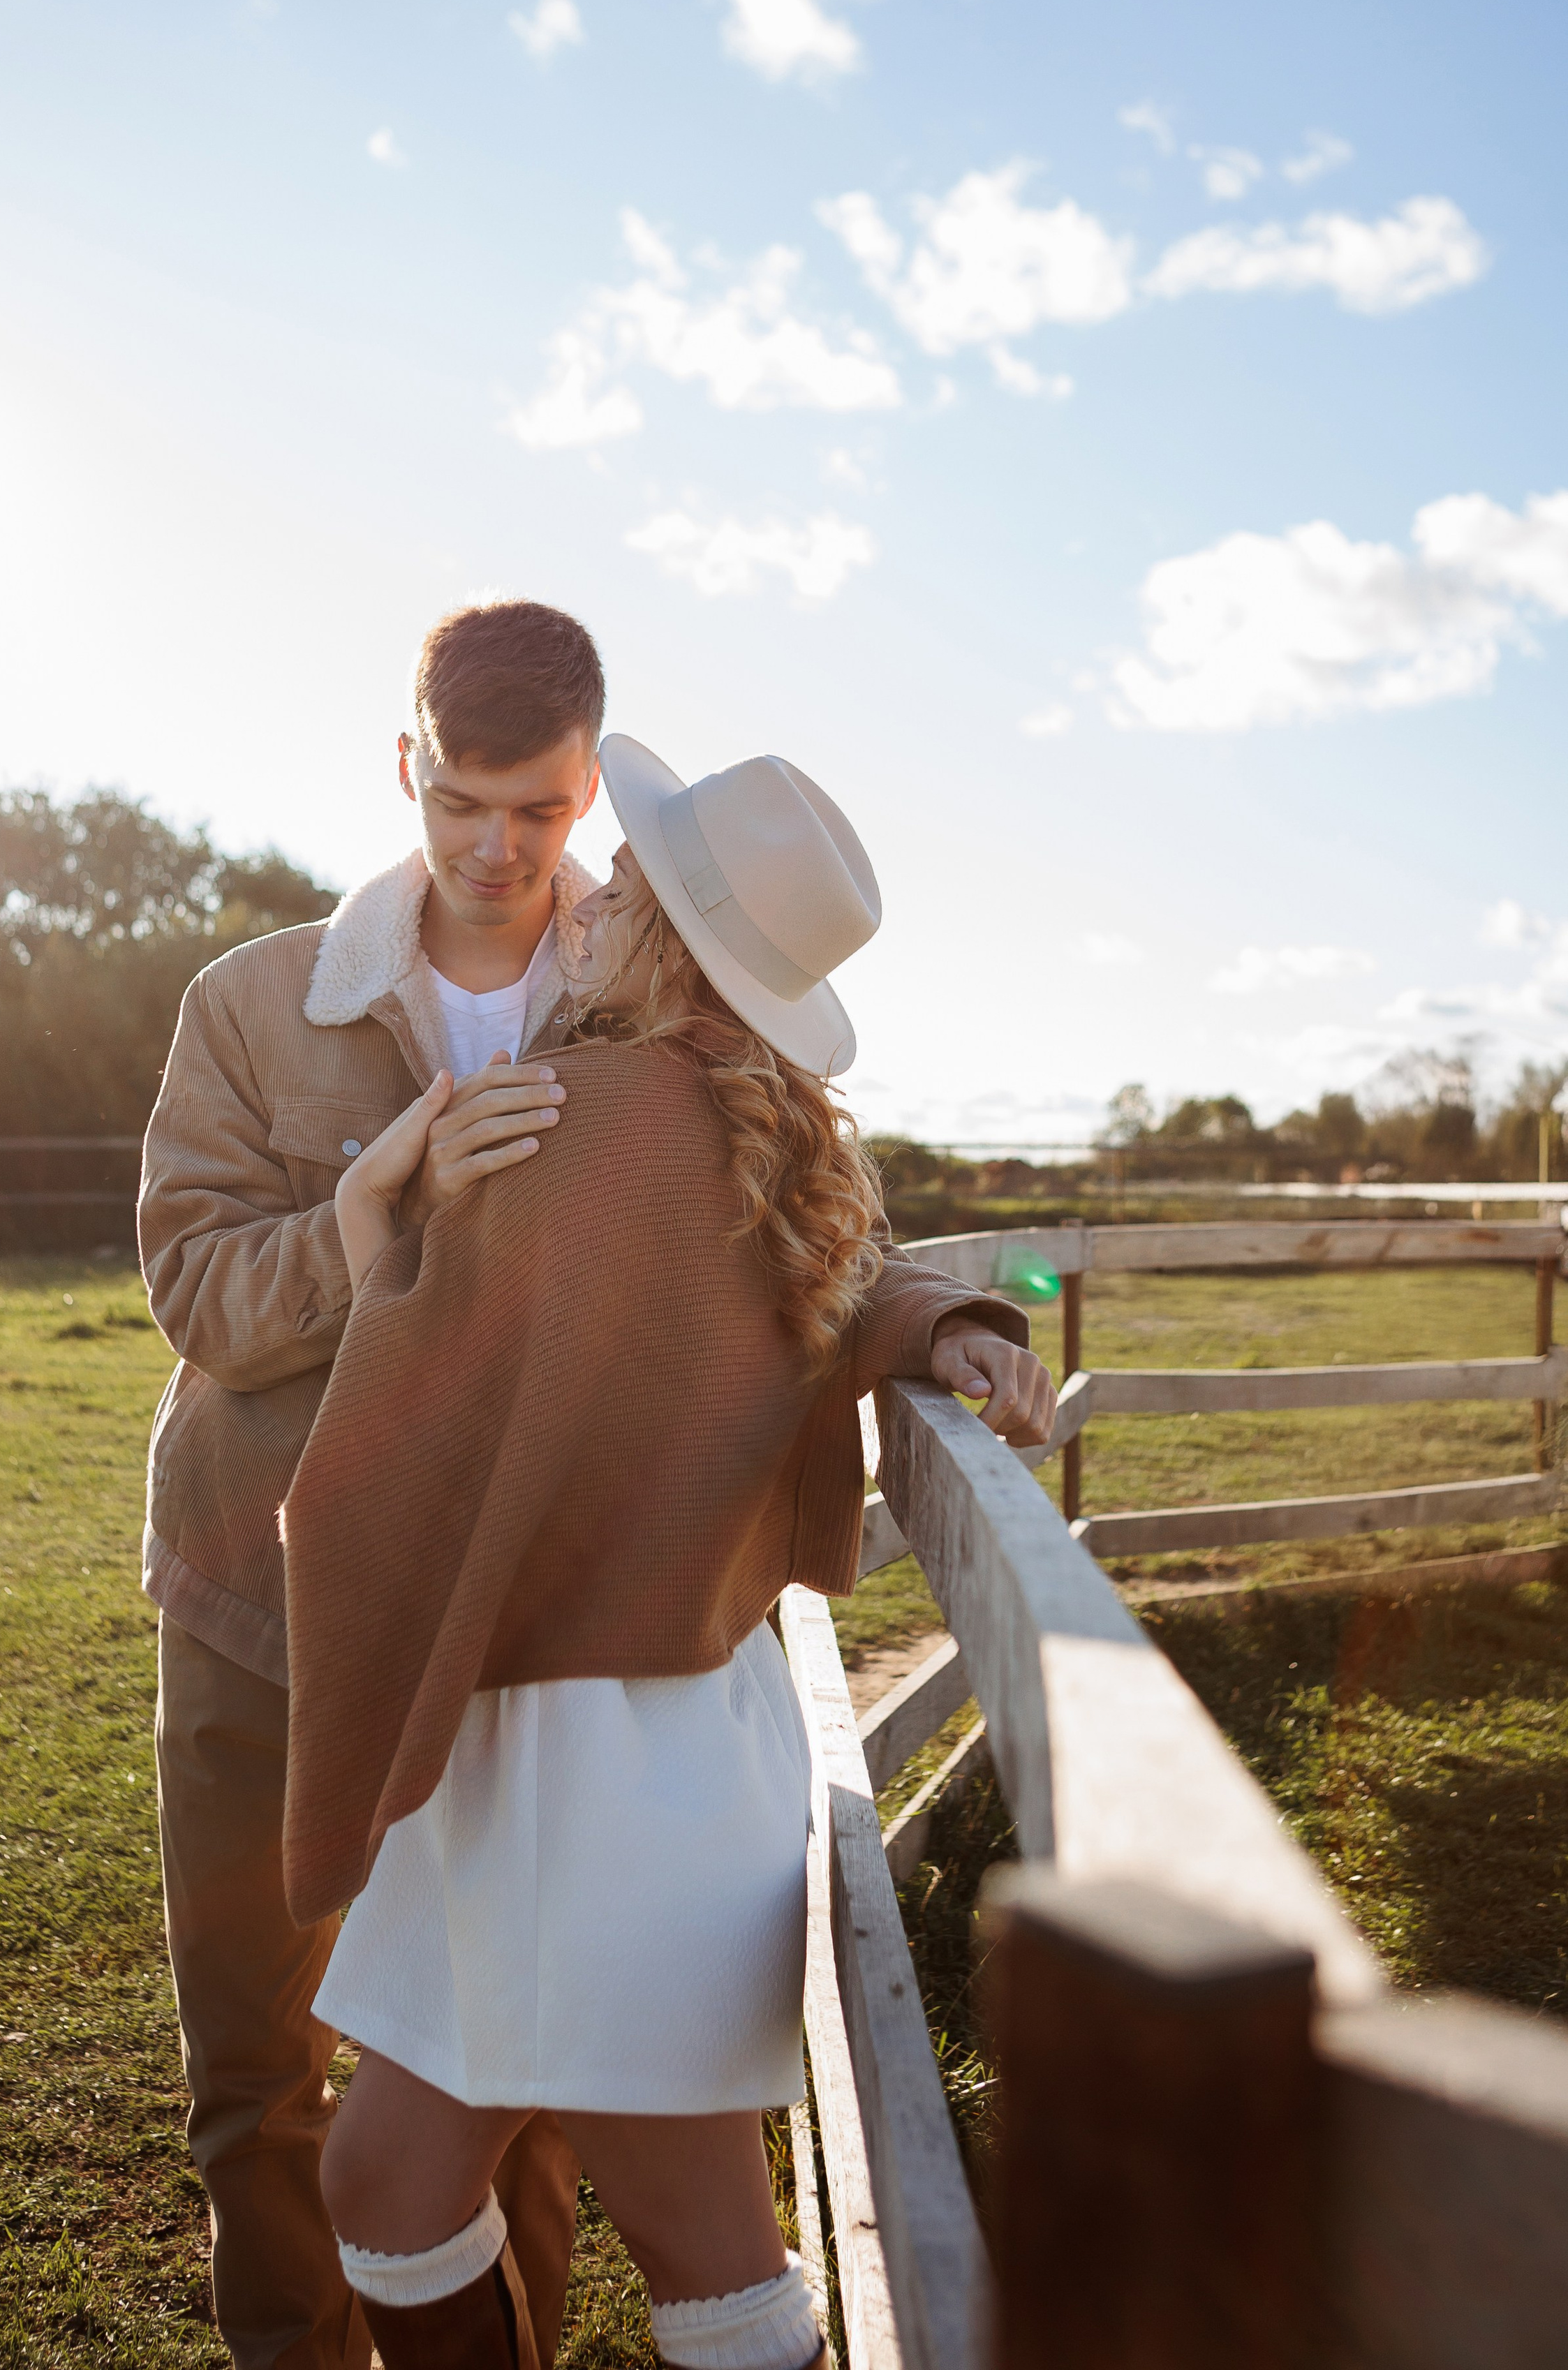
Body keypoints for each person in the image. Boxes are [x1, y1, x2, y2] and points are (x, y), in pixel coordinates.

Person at [279, 735, 1058, 2370]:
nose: (599, 886)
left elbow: (408, 1428)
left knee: (699, 2242)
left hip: (572, 1756)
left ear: (667, 937)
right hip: (660, 1747)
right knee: (390, 2177)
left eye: (631, 879)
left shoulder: (577, 1120)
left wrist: (375, 1225)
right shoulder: (774, 1133)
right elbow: (851, 1286)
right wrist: (953, 1326)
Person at [138, 602, 620, 2370]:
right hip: (256, 1604)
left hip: (516, 1622)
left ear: (589, 785)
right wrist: (366, 1222)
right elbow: (192, 1291)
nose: (500, 851)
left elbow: (792, 1211)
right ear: (407, 765)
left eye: (544, 812)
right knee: (255, 2072)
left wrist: (942, 1321)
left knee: (523, 2062)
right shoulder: (252, 1003)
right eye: (466, 803)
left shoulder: (644, 988)